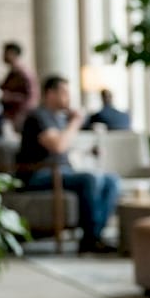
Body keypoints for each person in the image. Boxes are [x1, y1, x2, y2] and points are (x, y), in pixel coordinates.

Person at [17, 76, 121, 254]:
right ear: (50, 93)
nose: (69, 97)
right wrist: (75, 122)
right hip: (38, 174)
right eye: (64, 92)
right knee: (90, 179)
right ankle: (90, 239)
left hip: (61, 171)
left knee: (111, 180)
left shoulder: (60, 118)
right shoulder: (39, 116)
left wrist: (88, 151)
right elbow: (57, 146)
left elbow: (65, 151)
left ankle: (96, 235)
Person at [0, 41, 36, 137]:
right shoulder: (13, 73)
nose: (2, 56)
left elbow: (31, 97)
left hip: (20, 117)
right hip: (12, 117)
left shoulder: (23, 73)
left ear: (12, 53)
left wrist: (7, 96)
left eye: (5, 53)